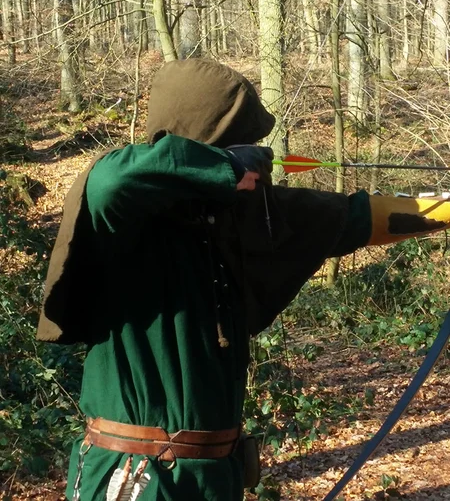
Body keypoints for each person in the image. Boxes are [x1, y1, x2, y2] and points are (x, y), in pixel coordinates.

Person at [36, 58, 450, 501]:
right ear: (200, 147)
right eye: (236, 145)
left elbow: (355, 218)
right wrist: (219, 168)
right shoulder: (124, 221)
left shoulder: (240, 219)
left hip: (216, 477)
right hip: (134, 477)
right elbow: (109, 180)